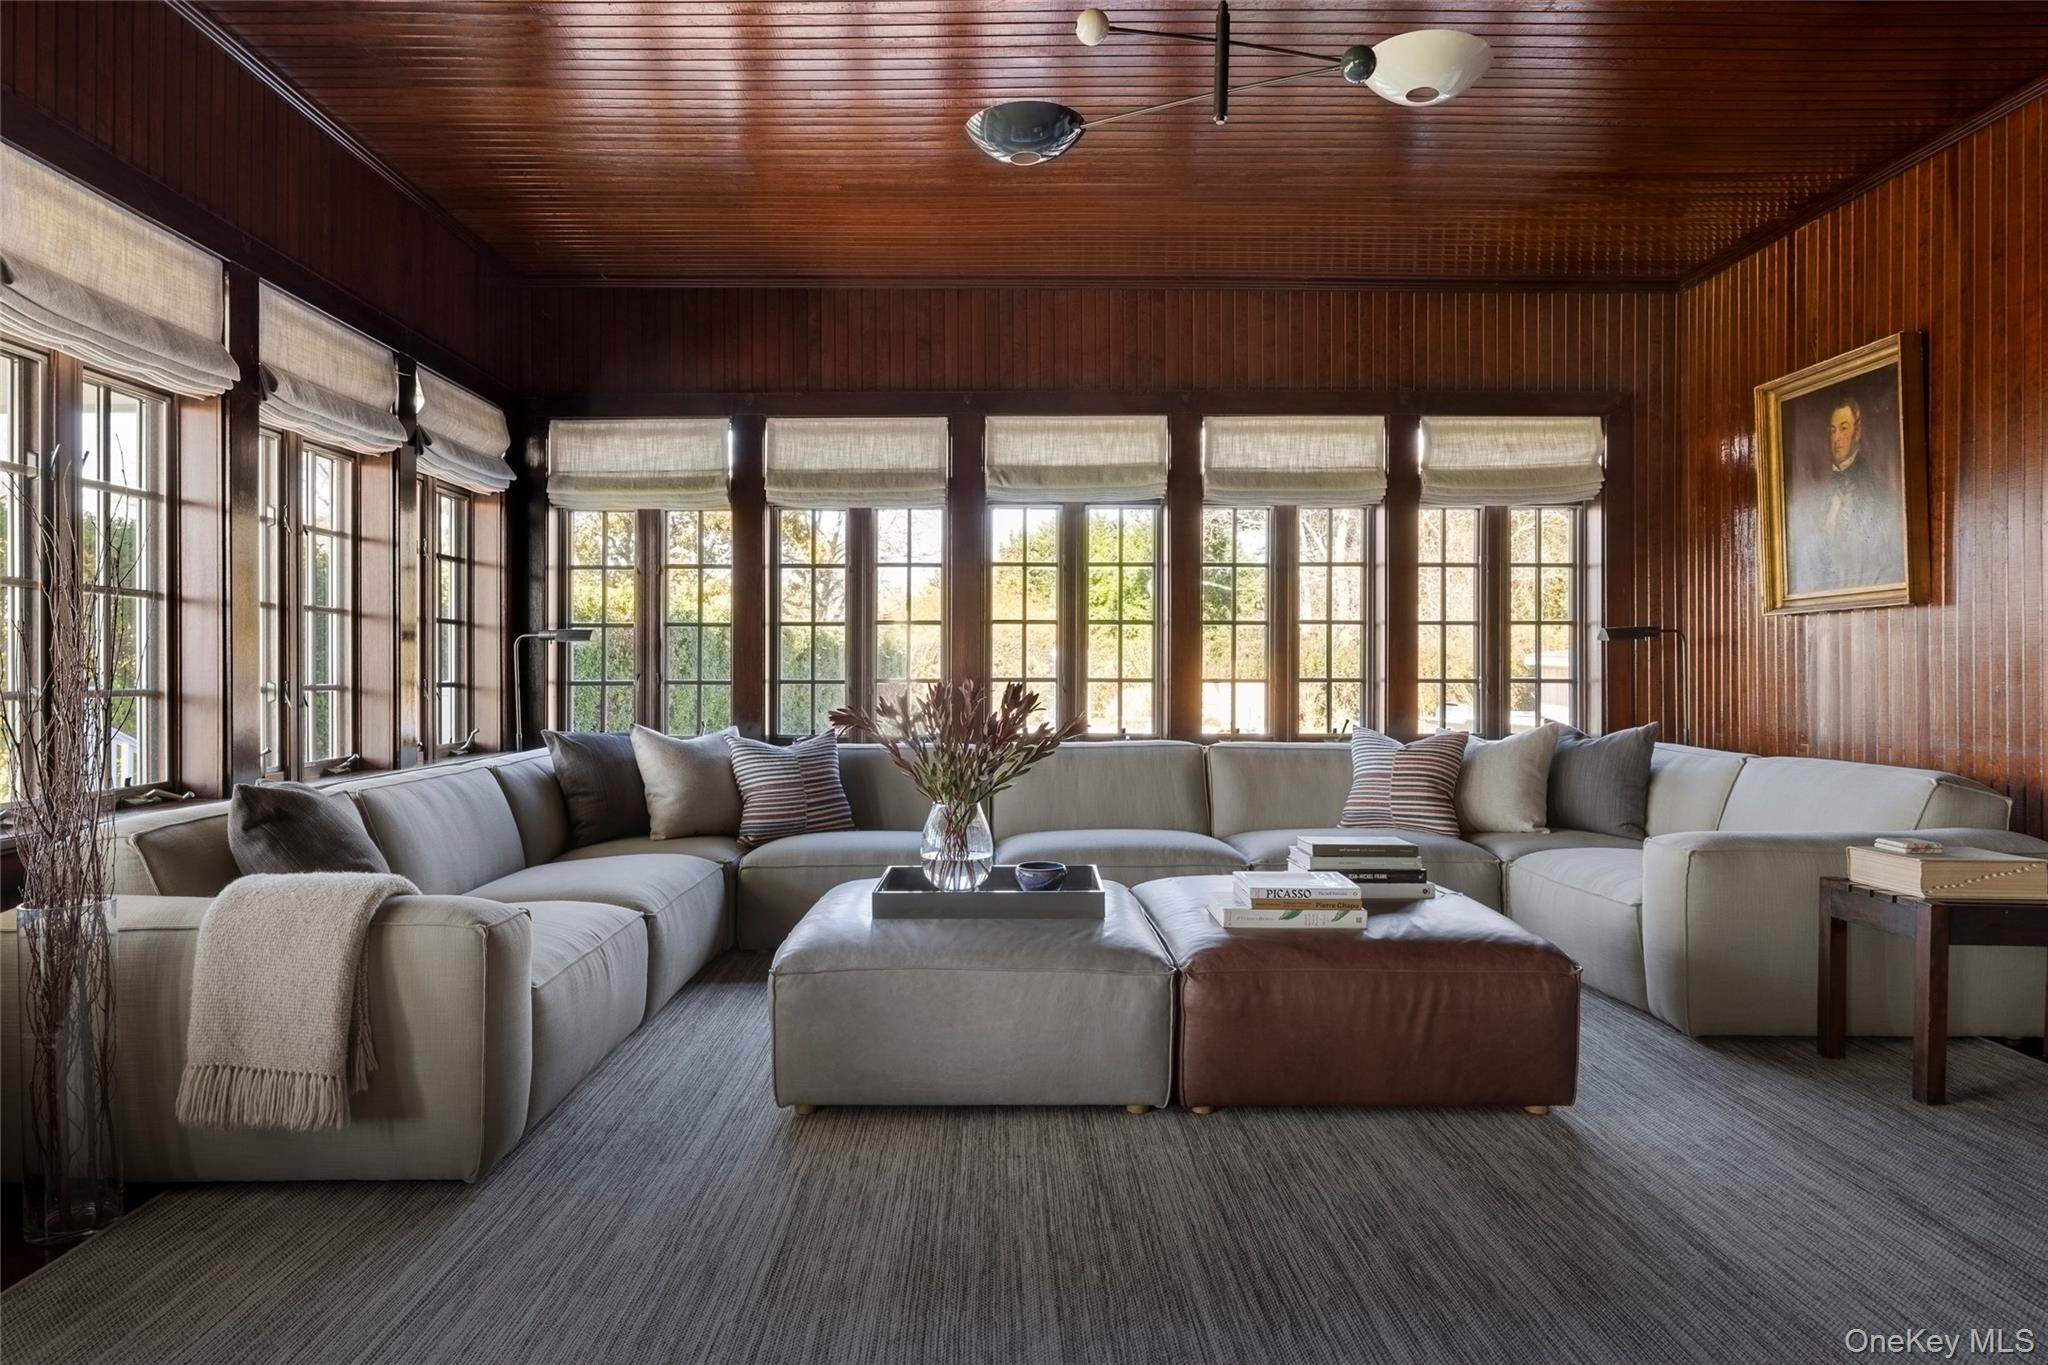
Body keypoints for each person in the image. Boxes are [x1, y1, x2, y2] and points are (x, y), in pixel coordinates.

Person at [1788, 395, 1904, 592]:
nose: (1836, 438)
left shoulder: (1882, 495)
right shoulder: (1813, 499)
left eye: (1844, 428)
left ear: (1857, 433)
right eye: (1832, 431)